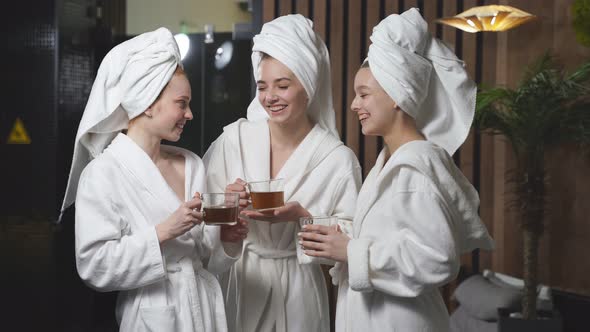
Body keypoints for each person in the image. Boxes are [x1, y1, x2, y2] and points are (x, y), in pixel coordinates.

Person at [298, 8, 495, 332]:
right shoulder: (388, 164)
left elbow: (438, 258)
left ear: (397, 96)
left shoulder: (414, 170)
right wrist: (337, 240)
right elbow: (387, 238)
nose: (354, 105)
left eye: (364, 94)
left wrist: (351, 251)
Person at [60, 27, 247, 331]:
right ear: (147, 102)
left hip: (204, 310)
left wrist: (227, 237)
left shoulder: (191, 164)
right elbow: (94, 266)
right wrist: (162, 231)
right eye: (182, 103)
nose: (190, 114)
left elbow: (205, 260)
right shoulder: (103, 174)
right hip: (153, 317)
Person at [203, 14, 362, 332]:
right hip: (243, 284)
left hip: (300, 292)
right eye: (262, 86)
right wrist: (227, 205)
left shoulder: (337, 159)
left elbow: (355, 239)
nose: (270, 97)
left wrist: (304, 217)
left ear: (308, 86)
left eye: (283, 85)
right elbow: (200, 218)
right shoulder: (234, 140)